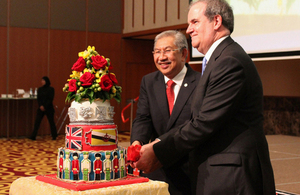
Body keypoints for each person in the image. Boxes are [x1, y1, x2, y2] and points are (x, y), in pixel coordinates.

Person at [133, 1, 276, 194]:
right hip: (219, 173)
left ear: (216, 21)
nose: (189, 29)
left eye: (194, 22)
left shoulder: (229, 61)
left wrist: (158, 149)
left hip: (232, 177)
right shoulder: (219, 58)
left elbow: (203, 122)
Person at [130, 30, 201, 195]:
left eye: (168, 51)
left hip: (188, 169)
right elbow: (143, 118)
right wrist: (137, 143)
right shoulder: (149, 81)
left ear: (184, 54)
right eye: (157, 52)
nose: (161, 57)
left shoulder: (201, 82)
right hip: (155, 168)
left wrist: (158, 146)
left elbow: (195, 124)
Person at [30, 76, 57, 140]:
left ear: (46, 81)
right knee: (37, 122)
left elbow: (50, 99)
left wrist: (44, 106)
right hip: (41, 108)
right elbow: (38, 98)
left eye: (43, 80)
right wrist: (41, 105)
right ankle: (33, 136)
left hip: (49, 108)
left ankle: (54, 135)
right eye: (41, 80)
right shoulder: (40, 89)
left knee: (51, 122)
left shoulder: (51, 89)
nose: (42, 82)